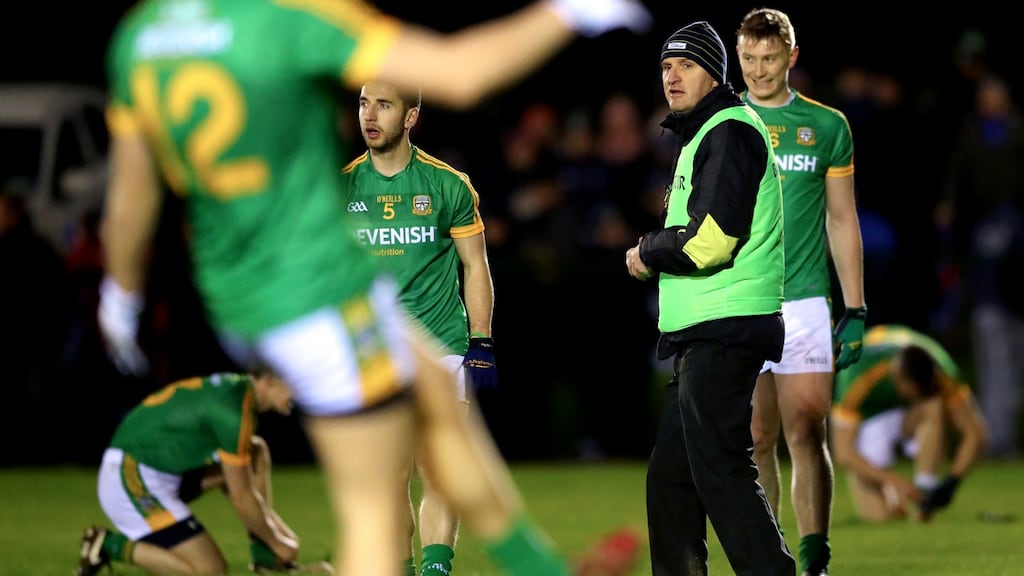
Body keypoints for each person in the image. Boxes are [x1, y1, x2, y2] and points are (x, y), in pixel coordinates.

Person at [96, 1, 651, 576]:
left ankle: (539, 568)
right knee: (374, 509)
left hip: (245, 296)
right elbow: (462, 73)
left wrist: (120, 298)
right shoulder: (285, 18)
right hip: (311, 299)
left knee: (439, 406)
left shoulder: (142, 36)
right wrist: (568, 12)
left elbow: (132, 194)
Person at [625, 20, 796, 576]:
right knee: (672, 478)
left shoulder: (728, 131)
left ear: (715, 74)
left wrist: (648, 250)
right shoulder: (705, 133)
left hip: (725, 326)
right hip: (708, 329)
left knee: (721, 471)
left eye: (687, 65)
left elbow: (712, 241)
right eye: (666, 66)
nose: (672, 76)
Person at [341, 80, 498, 576]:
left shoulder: (448, 185)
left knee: (441, 469)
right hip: (374, 351)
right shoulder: (341, 187)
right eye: (364, 103)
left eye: (384, 105)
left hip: (440, 344)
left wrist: (481, 342)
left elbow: (475, 265)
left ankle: (435, 569)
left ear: (410, 117)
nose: (370, 115)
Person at [734, 8, 867, 576]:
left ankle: (815, 559)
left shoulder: (826, 126)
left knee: (807, 429)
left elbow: (841, 218)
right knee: (755, 437)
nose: (759, 70)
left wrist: (855, 307)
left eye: (769, 58)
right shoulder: (722, 121)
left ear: (791, 55)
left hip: (806, 299)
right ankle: (770, 559)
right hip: (740, 299)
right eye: (748, 59)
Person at [75, 369, 332, 575]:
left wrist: (272, 539)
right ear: (268, 379)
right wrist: (277, 542)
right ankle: (107, 545)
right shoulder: (233, 413)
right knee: (209, 570)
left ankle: (266, 557)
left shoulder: (237, 391)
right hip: (129, 480)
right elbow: (242, 498)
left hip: (157, 472)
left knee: (255, 453)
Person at [831, 324, 988, 523]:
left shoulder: (939, 366)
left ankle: (925, 491)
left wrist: (952, 482)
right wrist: (895, 482)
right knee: (880, 517)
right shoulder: (856, 373)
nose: (914, 395)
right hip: (867, 422)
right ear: (898, 376)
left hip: (908, 417)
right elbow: (844, 453)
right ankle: (894, 499)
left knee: (933, 406)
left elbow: (975, 432)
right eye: (913, 391)